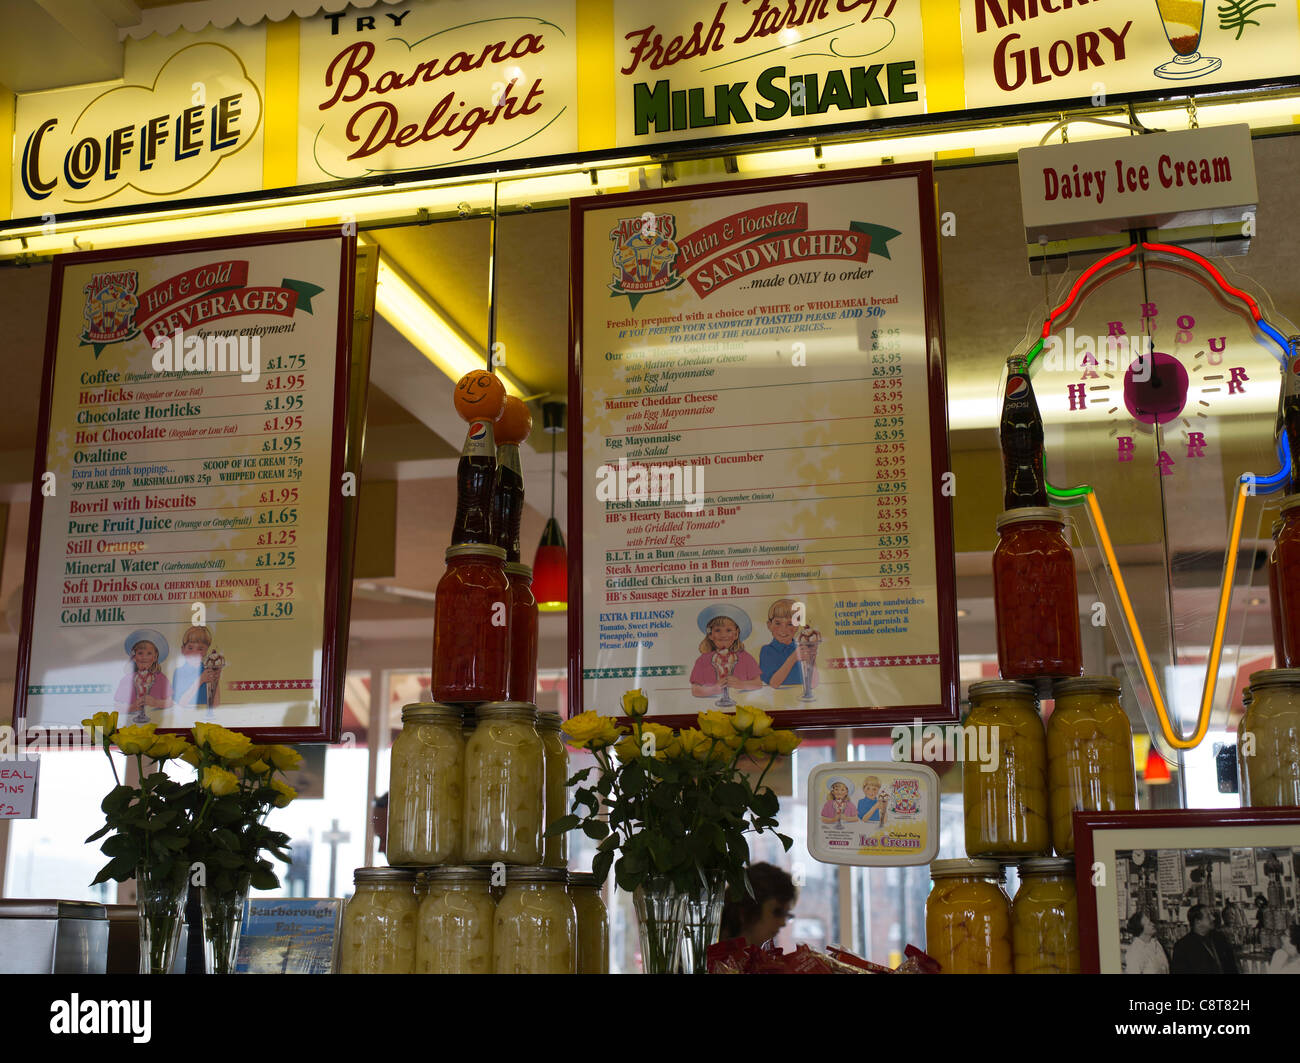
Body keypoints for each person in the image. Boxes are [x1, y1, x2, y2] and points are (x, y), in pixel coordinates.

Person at [689, 605, 762, 698]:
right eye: (717, 630)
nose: (723, 635)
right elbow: (695, 690)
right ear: (710, 635)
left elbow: (758, 683)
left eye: (728, 630)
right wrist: (713, 689)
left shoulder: (745, 658)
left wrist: (741, 684)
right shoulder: (703, 660)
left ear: (736, 634)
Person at [719, 863, 797, 948]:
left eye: (786, 914)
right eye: (777, 912)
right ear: (746, 911)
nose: (783, 923)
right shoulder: (710, 958)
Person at [758, 599, 819, 690]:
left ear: (797, 627)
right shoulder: (767, 651)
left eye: (790, 624)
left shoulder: (801, 648)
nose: (783, 629)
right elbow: (774, 684)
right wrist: (793, 658)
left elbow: (814, 684)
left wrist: (811, 658)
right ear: (769, 625)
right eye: (778, 623)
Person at [114, 628, 172, 723]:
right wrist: (132, 707)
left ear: (155, 657)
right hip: (130, 726)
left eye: (149, 653)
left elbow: (170, 702)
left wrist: (155, 702)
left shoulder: (161, 679)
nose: (144, 657)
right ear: (134, 657)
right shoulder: (126, 680)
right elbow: (117, 706)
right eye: (140, 653)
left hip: (158, 724)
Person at [1170, 905, 1239, 974]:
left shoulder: (1220, 938)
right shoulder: (1183, 947)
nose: (1213, 918)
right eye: (1208, 916)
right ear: (1197, 921)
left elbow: (1232, 966)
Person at [172, 625, 222, 710]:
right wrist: (201, 680)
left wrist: (215, 682)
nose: (194, 652)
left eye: (200, 649)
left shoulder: (208, 671)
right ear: (182, 650)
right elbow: (180, 703)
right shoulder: (179, 672)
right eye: (190, 648)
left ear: (206, 652)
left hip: (204, 716)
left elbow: (215, 704)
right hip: (185, 716)